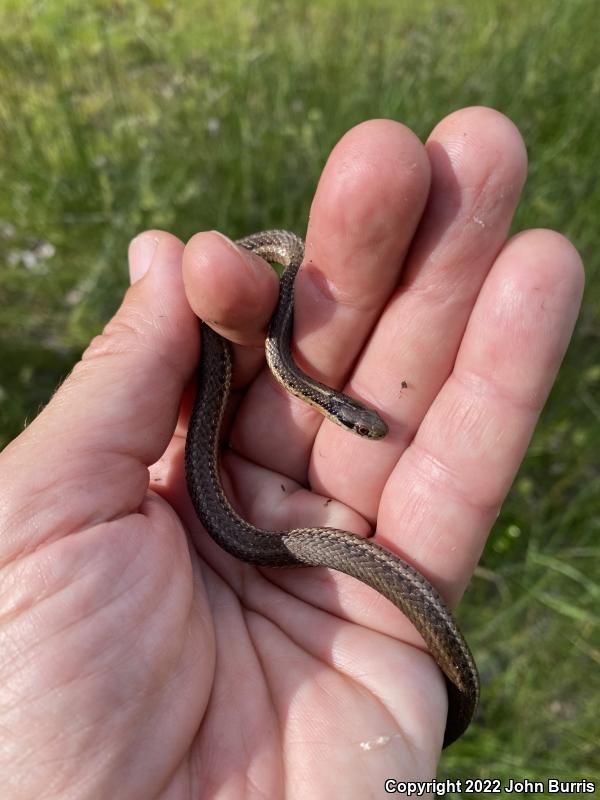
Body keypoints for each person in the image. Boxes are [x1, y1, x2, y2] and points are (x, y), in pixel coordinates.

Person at [0, 108, 583, 798]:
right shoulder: (280, 363)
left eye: (358, 424)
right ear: (331, 408)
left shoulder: (290, 350)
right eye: (358, 424)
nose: (362, 427)